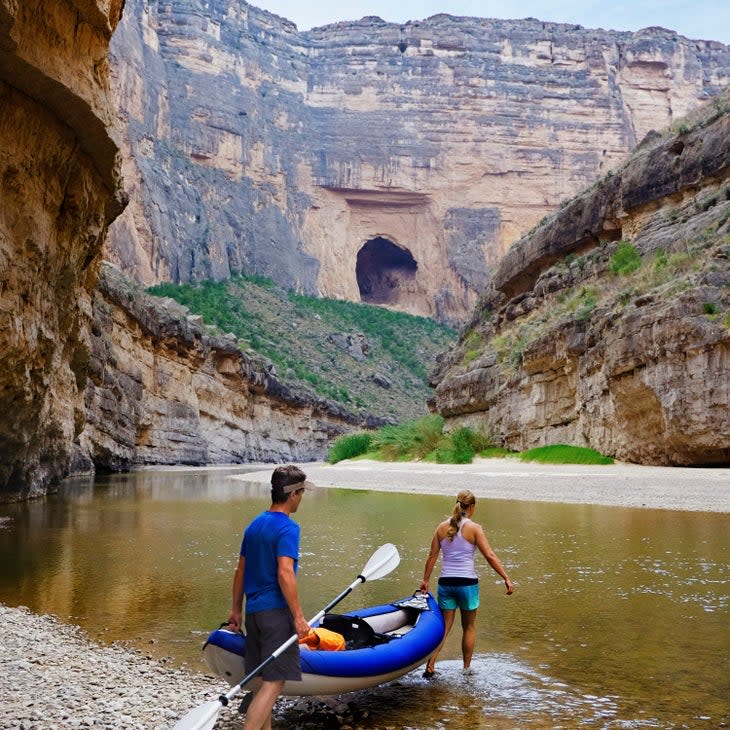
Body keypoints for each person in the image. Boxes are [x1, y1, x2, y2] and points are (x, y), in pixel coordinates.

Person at [227, 465, 315, 729]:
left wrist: (236, 610)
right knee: (274, 684)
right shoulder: (288, 528)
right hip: (276, 615)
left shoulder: (255, 524)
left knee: (262, 681)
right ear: (292, 495)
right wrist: (298, 617)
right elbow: (285, 573)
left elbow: (240, 570)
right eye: (301, 492)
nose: (302, 498)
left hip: (253, 613)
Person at [419, 489, 513, 678]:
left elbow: (432, 556)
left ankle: (430, 666)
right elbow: (490, 556)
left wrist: (425, 581)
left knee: (444, 627)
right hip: (467, 584)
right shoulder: (475, 528)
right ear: (471, 507)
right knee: (468, 627)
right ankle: (466, 669)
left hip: (446, 583)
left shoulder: (440, 528)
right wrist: (506, 578)